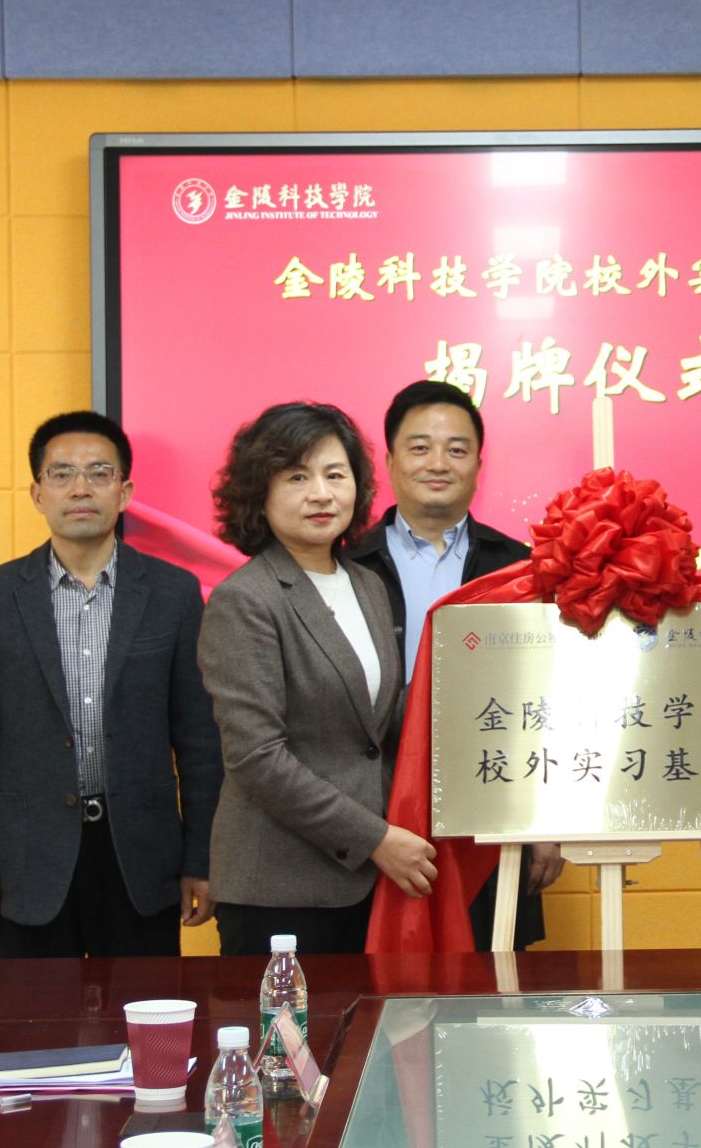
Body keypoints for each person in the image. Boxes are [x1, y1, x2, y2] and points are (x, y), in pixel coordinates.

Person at [0, 410, 222, 957]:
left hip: (142, 858)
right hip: (29, 862)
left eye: (99, 472)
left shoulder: (173, 594)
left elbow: (201, 742)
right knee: (35, 1012)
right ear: (38, 493)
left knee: (145, 1010)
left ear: (125, 491)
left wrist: (201, 859)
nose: (80, 488)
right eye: (62, 473)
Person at [198, 401, 436, 955]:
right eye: (297, 478)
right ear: (258, 492)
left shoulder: (367, 586)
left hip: (368, 882)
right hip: (279, 886)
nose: (322, 494)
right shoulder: (245, 599)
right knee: (288, 1021)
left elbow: (375, 727)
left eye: (335, 475)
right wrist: (375, 838)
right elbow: (257, 757)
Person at [348, 380, 558, 949]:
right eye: (419, 447)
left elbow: (549, 698)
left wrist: (548, 822)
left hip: (495, 807)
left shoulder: (523, 568)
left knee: (492, 984)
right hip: (372, 814)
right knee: (376, 982)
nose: (438, 463)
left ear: (479, 466)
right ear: (390, 461)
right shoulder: (347, 562)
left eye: (456, 449)